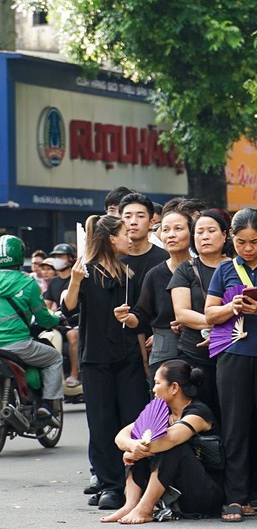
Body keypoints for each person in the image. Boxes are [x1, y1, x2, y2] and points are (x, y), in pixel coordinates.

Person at [63, 215, 151, 510]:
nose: (131, 237)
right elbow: (69, 309)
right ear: (112, 238)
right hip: (95, 360)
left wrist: (131, 318)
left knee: (133, 421)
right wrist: (75, 281)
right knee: (101, 425)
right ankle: (110, 485)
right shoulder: (86, 272)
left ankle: (134, 483)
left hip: (127, 359)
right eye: (126, 232)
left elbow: (141, 320)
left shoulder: (130, 274)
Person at [205, 208, 257, 522]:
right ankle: (235, 497)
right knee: (235, 428)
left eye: (254, 241)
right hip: (233, 357)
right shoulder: (224, 270)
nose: (248, 248)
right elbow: (209, 315)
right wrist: (230, 306)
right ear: (230, 239)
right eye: (240, 242)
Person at [101, 360, 223, 524]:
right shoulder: (163, 412)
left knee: (172, 447)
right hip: (177, 491)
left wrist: (137, 450)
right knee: (140, 443)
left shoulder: (198, 413)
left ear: (174, 387)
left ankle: (145, 508)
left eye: (157, 383)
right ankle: (131, 505)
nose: (153, 389)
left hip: (206, 494)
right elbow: (122, 435)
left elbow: (171, 439)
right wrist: (132, 446)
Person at [168, 209, 232, 423]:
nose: (205, 236)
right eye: (199, 232)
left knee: (232, 415)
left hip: (233, 353)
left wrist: (220, 330)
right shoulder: (186, 269)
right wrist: (216, 321)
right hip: (194, 356)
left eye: (211, 231)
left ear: (225, 235)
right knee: (200, 415)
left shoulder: (236, 266)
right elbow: (182, 313)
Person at [115, 209, 193, 378]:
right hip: (164, 352)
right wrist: (127, 317)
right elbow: (141, 316)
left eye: (178, 229)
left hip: (199, 349)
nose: (171, 235)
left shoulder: (201, 270)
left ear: (191, 233)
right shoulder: (155, 274)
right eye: (165, 230)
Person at [0, 235, 63, 425]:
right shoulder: (28, 284)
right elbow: (43, 317)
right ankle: (47, 404)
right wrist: (56, 318)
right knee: (54, 358)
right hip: (18, 345)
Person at [120, 193, 170, 375]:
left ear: (151, 222)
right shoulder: (113, 261)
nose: (133, 222)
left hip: (157, 340)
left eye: (140, 216)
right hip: (121, 345)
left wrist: (161, 334)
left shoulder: (165, 259)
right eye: (127, 216)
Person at [43, 242, 81, 387]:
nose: (57, 259)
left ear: (70, 259)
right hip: (59, 324)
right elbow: (46, 306)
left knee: (73, 335)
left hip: (77, 323)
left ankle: (74, 375)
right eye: (55, 256)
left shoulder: (77, 278)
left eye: (61, 256)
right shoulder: (53, 282)